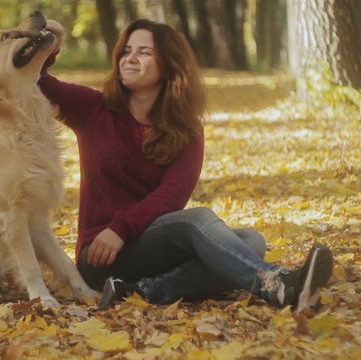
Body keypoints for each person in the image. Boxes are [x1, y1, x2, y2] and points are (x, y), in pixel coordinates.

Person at [38, 18, 333, 312]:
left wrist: (123, 228)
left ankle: (139, 291)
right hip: (100, 256)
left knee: (251, 241)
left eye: (144, 52)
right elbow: (36, 81)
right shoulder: (94, 108)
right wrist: (51, 46)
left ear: (168, 66)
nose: (130, 58)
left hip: (152, 245)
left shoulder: (186, 130)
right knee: (201, 222)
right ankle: (277, 285)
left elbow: (172, 195)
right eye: (126, 51)